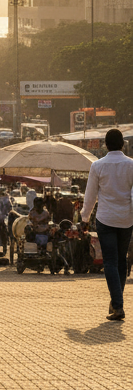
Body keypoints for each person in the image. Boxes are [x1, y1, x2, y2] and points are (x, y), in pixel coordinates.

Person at [81, 129, 133, 321]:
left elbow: (90, 196)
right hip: (126, 220)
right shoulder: (131, 165)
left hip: (105, 219)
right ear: (123, 144)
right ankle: (116, 302)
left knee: (110, 261)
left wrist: (84, 219)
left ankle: (117, 305)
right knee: (121, 260)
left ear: (105, 145)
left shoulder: (97, 166)